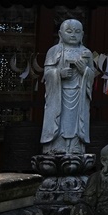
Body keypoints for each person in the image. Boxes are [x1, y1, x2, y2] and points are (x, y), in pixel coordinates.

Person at [41, 19, 94, 154]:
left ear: (82, 35)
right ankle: (57, 147)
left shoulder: (87, 53)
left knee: (77, 124)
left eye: (77, 32)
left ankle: (75, 148)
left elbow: (92, 75)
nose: (73, 35)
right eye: (69, 31)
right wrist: (58, 73)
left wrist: (85, 71)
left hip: (79, 94)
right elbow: (47, 75)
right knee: (59, 122)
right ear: (60, 34)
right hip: (59, 95)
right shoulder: (53, 51)